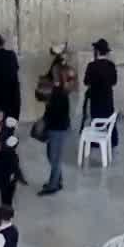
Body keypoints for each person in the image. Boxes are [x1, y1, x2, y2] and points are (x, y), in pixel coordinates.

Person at [38, 48, 74, 196]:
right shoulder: (53, 89)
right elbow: (40, 97)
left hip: (59, 128)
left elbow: (56, 111)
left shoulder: (61, 93)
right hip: (54, 126)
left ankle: (53, 185)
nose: (56, 75)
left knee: (55, 158)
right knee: (51, 156)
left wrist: (45, 120)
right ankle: (57, 180)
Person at [81, 39, 119, 149]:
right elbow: (114, 82)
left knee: (96, 118)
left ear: (96, 52)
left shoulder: (91, 66)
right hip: (107, 98)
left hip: (95, 99)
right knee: (110, 118)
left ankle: (95, 141)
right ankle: (112, 140)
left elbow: (86, 82)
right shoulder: (111, 65)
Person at [0, 35, 23, 122]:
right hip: (14, 94)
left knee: (2, 123)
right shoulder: (11, 54)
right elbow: (16, 68)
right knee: (12, 121)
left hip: (2, 96)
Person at [0, 132, 27, 208]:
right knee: (8, 196)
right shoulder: (13, 156)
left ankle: (4, 206)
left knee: (3, 195)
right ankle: (6, 210)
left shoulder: (0, 153)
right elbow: (16, 169)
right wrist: (22, 179)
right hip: (8, 180)